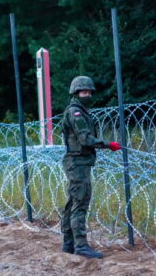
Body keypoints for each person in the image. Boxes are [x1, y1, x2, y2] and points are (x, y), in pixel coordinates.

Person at [61, 76, 122, 259]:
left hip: (79, 162)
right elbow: (85, 139)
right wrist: (107, 144)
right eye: (83, 92)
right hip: (77, 162)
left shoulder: (81, 111)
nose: (86, 94)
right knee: (80, 203)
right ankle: (80, 246)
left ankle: (68, 244)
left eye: (89, 91)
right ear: (76, 93)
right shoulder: (76, 113)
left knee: (73, 202)